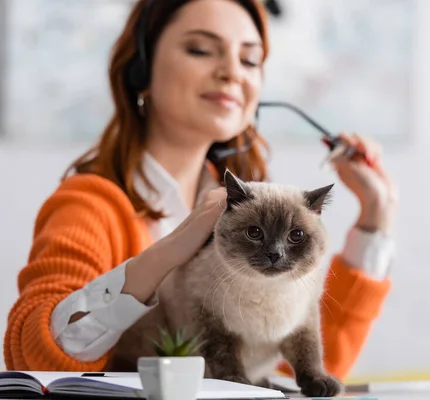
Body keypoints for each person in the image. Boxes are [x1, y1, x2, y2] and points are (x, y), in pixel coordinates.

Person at [4, 0, 398, 379]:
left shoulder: (252, 210)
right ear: (142, 71)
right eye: (201, 49)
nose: (232, 72)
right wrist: (168, 253)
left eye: (249, 60)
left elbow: (289, 375)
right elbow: (34, 362)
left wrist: (374, 216)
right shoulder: (91, 205)